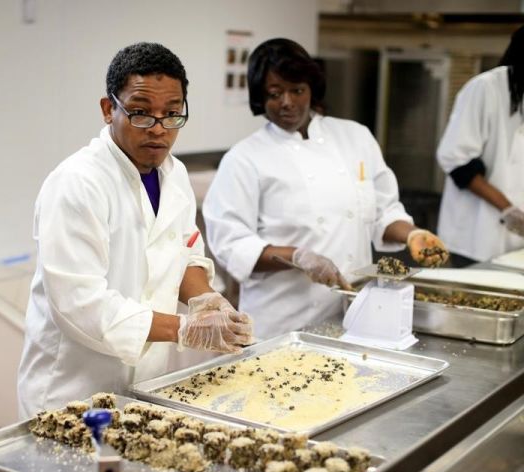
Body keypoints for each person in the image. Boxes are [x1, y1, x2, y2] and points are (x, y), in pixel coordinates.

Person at [17, 42, 252, 417]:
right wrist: (184, 328)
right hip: (73, 390)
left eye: (171, 114)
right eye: (141, 113)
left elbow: (184, 254)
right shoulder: (77, 183)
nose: (158, 130)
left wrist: (207, 301)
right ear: (108, 109)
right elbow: (80, 303)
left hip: (147, 382)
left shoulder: (174, 175)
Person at [202, 38, 448, 337]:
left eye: (297, 90)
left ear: (312, 89)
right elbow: (231, 243)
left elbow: (383, 212)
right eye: (275, 93)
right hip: (284, 322)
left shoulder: (355, 137)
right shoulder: (244, 158)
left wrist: (412, 234)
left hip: (355, 311)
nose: (287, 102)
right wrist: (298, 256)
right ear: (260, 97)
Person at [436, 25, 524, 266]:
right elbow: (457, 160)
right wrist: (509, 210)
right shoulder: (486, 88)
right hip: (477, 237)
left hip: (518, 246)